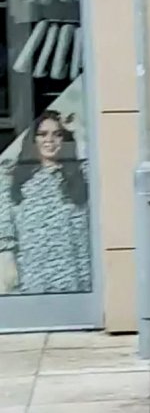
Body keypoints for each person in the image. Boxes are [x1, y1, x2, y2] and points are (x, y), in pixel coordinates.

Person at [0, 110, 91, 295]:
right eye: (42, 134)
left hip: (75, 281)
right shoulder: (16, 178)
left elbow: (96, 166)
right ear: (33, 139)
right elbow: (5, 232)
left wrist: (77, 133)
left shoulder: (77, 176)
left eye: (57, 134)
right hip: (33, 281)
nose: (50, 140)